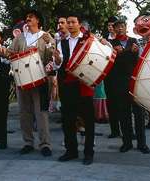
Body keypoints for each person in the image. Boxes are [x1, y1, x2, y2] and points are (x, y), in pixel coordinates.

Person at [8, 9, 55, 156]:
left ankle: (45, 144)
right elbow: (10, 52)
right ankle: (28, 142)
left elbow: (52, 56)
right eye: (27, 17)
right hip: (22, 80)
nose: (28, 19)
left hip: (40, 79)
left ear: (38, 20)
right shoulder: (20, 37)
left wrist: (49, 44)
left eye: (31, 17)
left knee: (41, 113)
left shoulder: (46, 36)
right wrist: (1, 50)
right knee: (24, 113)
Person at [54, 13, 95, 165]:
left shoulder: (88, 40)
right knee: (68, 120)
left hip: (84, 84)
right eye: (68, 22)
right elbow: (59, 64)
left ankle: (89, 153)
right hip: (67, 85)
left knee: (88, 120)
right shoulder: (62, 43)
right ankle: (71, 151)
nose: (70, 25)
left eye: (73, 22)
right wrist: (58, 60)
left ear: (79, 24)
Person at [110, 19, 150, 154]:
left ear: (126, 28)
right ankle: (126, 142)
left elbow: (142, 58)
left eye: (122, 26)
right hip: (119, 82)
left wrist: (135, 51)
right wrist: (115, 53)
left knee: (139, 113)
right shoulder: (111, 44)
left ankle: (142, 143)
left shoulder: (135, 41)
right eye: (117, 27)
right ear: (114, 30)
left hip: (134, 82)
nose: (120, 28)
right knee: (123, 114)